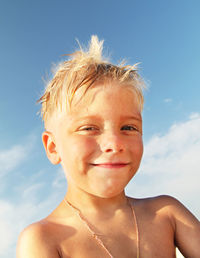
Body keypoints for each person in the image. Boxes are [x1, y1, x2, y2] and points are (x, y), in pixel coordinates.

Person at [17, 35, 200, 258]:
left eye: (129, 128)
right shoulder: (43, 239)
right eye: (88, 128)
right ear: (53, 147)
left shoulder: (167, 214)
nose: (114, 143)